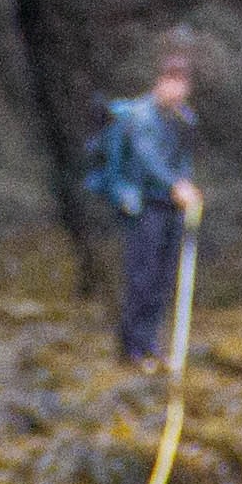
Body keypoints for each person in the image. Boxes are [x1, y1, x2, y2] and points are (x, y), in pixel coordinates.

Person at [83, 43, 204, 365]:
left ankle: (149, 343)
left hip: (171, 207)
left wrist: (186, 185)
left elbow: (183, 158)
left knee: (164, 277)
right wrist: (176, 184)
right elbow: (147, 157)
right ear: (159, 81)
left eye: (182, 82)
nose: (176, 88)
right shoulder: (140, 115)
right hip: (143, 205)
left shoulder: (183, 118)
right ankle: (132, 347)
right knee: (142, 276)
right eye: (171, 80)